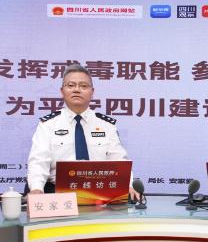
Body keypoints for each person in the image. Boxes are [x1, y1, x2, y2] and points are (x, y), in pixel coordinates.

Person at [27, 64, 140, 200]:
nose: (76, 89)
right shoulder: (48, 124)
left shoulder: (106, 125)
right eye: (71, 85)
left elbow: (118, 160)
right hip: (58, 194)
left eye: (83, 86)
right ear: (62, 91)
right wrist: (37, 189)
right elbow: (39, 160)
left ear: (92, 92)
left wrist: (127, 185)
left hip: (100, 193)